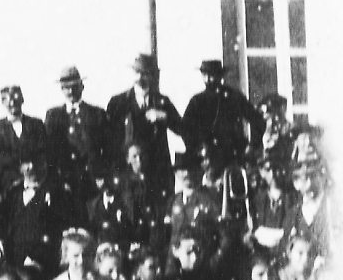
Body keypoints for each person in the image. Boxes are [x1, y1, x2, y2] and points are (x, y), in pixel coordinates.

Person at [105, 54, 184, 191]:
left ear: (152, 76)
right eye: (137, 73)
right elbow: (108, 138)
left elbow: (182, 128)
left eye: (145, 73)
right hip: (128, 171)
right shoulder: (118, 103)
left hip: (156, 172)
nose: (140, 77)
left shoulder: (162, 102)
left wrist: (164, 116)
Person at [182, 59, 263, 174]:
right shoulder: (197, 101)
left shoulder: (234, 97)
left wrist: (252, 145)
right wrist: (197, 149)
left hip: (234, 154)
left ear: (220, 76)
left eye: (212, 75)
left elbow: (258, 121)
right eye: (204, 75)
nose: (208, 79)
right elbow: (185, 129)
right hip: (208, 156)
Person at [45, 67, 110, 195]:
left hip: (93, 180)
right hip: (65, 181)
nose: (71, 91)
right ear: (61, 89)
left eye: (75, 86)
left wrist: (103, 174)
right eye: (66, 87)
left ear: (82, 87)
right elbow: (49, 150)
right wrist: (55, 180)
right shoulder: (53, 115)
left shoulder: (97, 113)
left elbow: (108, 148)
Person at [0, 86, 49, 192]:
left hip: (36, 180)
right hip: (9, 183)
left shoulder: (36, 124)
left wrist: (32, 165)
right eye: (7, 100)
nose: (12, 103)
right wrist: (19, 167)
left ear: (22, 100)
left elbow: (43, 151)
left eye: (15, 99)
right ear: (2, 103)